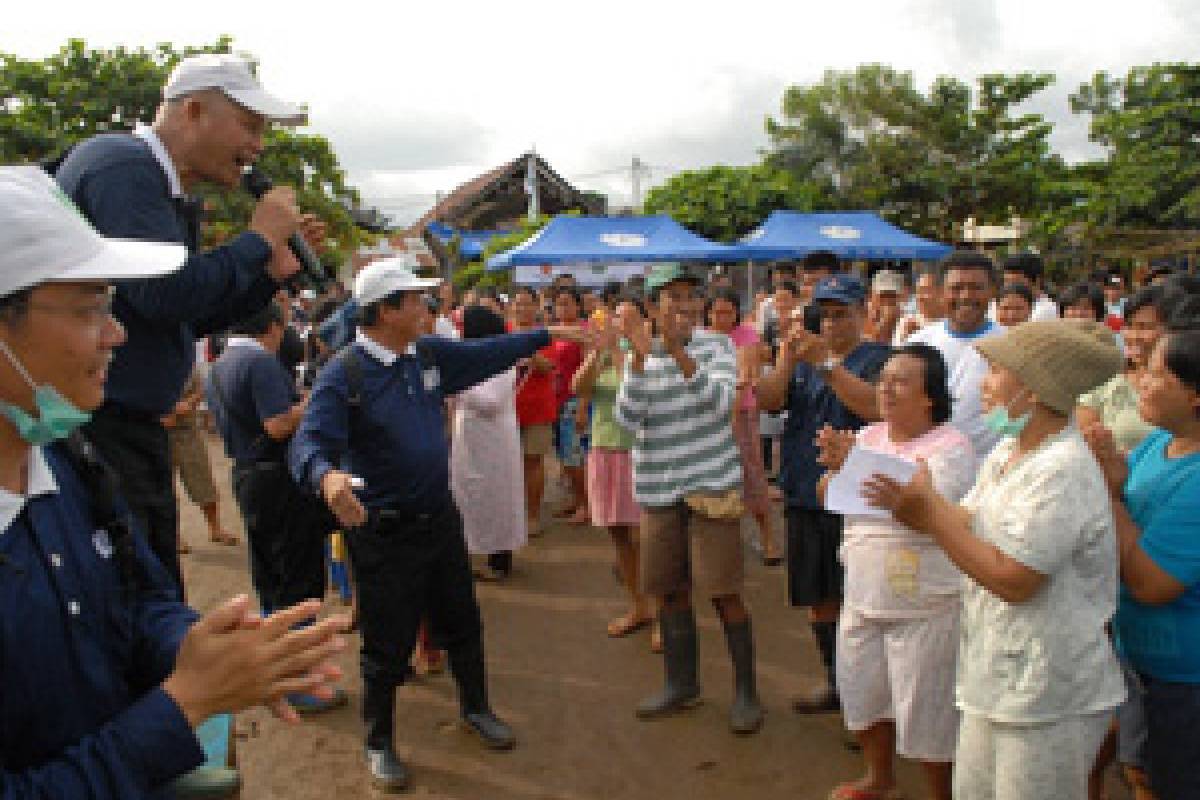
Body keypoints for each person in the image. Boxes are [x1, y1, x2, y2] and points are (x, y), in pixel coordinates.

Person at [0, 165, 348, 800]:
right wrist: (183, 704)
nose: (117, 333)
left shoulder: (68, 457)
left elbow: (137, 597)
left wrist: (198, 644)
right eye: (89, 309)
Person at [289, 258, 584, 789]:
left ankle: (476, 709)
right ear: (385, 310)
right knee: (385, 645)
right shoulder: (345, 373)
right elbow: (308, 442)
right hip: (383, 533)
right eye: (415, 300)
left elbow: (485, 353)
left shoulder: (423, 356)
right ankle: (379, 742)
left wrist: (547, 332)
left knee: (463, 624)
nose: (427, 308)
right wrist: (327, 477)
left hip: (439, 521)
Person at [53, 53, 317, 589]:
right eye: (249, 125)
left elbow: (183, 318)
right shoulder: (121, 166)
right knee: (130, 600)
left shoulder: (163, 189)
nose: (257, 147)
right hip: (99, 432)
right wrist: (256, 238)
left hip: (132, 432)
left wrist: (267, 274)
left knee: (152, 592)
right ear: (193, 111)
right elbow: (162, 292)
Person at [863, 319, 1126, 800]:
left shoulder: (1060, 470)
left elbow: (1015, 579)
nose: (983, 385)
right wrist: (919, 499)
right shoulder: (1010, 450)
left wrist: (930, 516)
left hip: (1046, 693)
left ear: (1034, 388)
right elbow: (971, 521)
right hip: (998, 676)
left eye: (996, 372)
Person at [816, 345, 974, 800]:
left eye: (901, 379)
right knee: (865, 697)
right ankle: (879, 778)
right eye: (883, 377)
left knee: (930, 713)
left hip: (924, 602)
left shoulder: (951, 446)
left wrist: (856, 470)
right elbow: (828, 494)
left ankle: (940, 794)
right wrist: (838, 465)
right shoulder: (867, 438)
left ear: (929, 396)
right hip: (864, 593)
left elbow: (923, 508)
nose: (886, 387)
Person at [616, 262, 764, 735]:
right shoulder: (636, 353)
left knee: (723, 591)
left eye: (687, 296)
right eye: (670, 297)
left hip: (710, 488)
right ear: (653, 305)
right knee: (669, 591)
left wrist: (681, 356)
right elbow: (626, 420)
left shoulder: (716, 345)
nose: (681, 305)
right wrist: (639, 362)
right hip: (660, 490)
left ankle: (746, 692)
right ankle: (682, 685)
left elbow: (723, 404)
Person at [757, 273, 890, 714]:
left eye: (841, 315)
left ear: (862, 315)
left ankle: (868, 704)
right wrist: (785, 358)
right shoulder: (805, 358)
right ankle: (839, 687)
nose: (831, 325)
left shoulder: (878, 359)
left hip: (856, 503)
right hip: (804, 494)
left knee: (861, 607)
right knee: (819, 601)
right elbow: (771, 402)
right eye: (825, 316)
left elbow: (874, 408)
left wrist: (827, 365)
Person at [206, 300, 342, 718]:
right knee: (296, 580)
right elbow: (278, 424)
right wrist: (314, 402)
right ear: (274, 326)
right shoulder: (259, 361)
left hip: (250, 476)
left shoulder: (224, 360)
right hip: (276, 478)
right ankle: (297, 681)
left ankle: (277, 673)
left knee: (271, 576)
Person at [1084, 327, 1200, 800]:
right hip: (1142, 662)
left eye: (1156, 374)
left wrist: (1110, 493)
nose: (1140, 383)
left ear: (1194, 395)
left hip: (1185, 680)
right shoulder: (1158, 444)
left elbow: (1152, 584)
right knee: (1144, 771)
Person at [572, 296, 655, 644]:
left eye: (628, 318)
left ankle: (665, 612)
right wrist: (595, 353)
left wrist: (619, 352)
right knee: (619, 534)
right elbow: (580, 388)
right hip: (605, 447)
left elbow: (632, 391)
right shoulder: (602, 350)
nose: (620, 324)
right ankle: (638, 605)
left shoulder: (649, 351)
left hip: (641, 450)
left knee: (648, 538)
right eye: (616, 317)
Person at [907, 250, 1004, 465]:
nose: (966, 296)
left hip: (988, 472)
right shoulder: (916, 344)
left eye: (976, 288)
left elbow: (1014, 415)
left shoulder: (1011, 346)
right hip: (926, 469)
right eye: (956, 288)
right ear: (941, 292)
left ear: (993, 292)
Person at [450, 305, 526, 580]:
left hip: (494, 439)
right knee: (468, 496)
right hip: (470, 438)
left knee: (497, 497)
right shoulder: (470, 356)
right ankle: (468, 553)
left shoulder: (503, 359)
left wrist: (457, 384)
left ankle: (500, 561)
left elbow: (491, 402)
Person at [704, 289, 780, 564]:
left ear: (737, 312)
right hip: (711, 415)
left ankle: (769, 539)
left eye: (727, 311)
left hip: (742, 413)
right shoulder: (700, 338)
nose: (722, 317)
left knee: (752, 473)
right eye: (716, 312)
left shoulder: (746, 335)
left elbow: (747, 373)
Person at [1077, 286, 1171, 455]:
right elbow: (1084, 443)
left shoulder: (1185, 388)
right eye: (1129, 326)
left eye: (1145, 327)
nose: (1133, 336)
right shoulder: (1106, 380)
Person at [163, 367, 237, 550]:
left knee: (203, 480)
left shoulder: (186, 363)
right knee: (165, 489)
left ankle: (215, 529)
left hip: (187, 431)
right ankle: (175, 537)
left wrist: (187, 404)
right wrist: (168, 410)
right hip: (159, 433)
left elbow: (201, 389)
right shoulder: (148, 365)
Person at [511, 285, 557, 536]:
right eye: (518, 303)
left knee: (534, 462)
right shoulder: (504, 333)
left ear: (535, 307)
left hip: (537, 408)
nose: (522, 308)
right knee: (509, 464)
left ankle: (533, 515)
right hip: (506, 409)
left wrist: (527, 349)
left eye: (527, 303)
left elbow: (549, 367)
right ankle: (514, 514)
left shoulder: (544, 335)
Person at [547, 286, 588, 524]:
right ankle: (577, 500)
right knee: (565, 455)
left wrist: (583, 404)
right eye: (559, 303)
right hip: (557, 400)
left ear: (578, 306)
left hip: (574, 400)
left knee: (575, 456)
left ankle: (585, 504)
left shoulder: (583, 331)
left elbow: (589, 370)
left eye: (567, 303)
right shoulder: (555, 332)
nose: (563, 308)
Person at [998, 252, 1059, 321]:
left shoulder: (1044, 311)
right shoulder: (997, 305)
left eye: (1016, 282)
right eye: (1006, 281)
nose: (1010, 287)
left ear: (1037, 280)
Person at [893, 264, 945, 345]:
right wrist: (904, 340)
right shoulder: (906, 323)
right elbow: (895, 354)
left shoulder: (953, 325)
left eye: (925, 291)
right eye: (917, 291)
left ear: (942, 292)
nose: (919, 297)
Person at [864, 269, 906, 346]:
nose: (887, 300)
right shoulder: (863, 314)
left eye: (892, 295)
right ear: (873, 294)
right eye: (883, 295)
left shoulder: (907, 318)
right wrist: (886, 322)